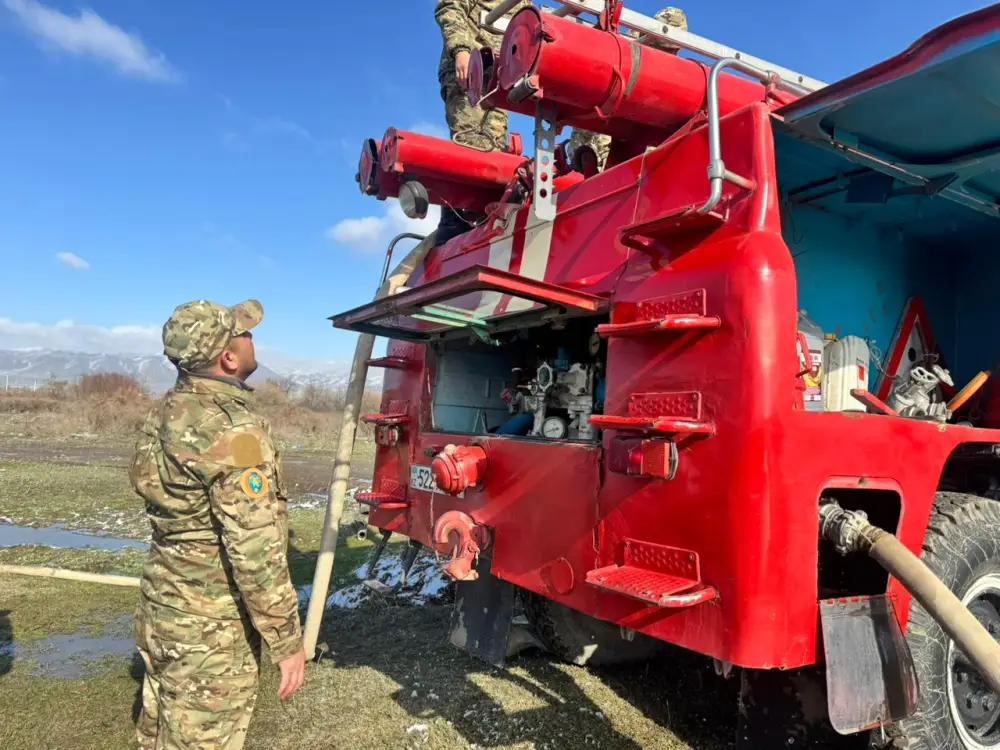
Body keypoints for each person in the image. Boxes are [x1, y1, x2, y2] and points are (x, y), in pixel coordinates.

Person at [131, 299, 304, 750]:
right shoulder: (236, 433)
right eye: (243, 333)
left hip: (160, 608)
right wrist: (287, 643)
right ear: (228, 357)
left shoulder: (165, 412)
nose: (251, 339)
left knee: (158, 731)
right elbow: (256, 551)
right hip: (208, 632)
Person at [434, 0, 533, 243]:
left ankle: (480, 218)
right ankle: (454, 222)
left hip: (499, 77)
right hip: (469, 68)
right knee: (469, 143)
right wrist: (461, 50)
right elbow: (449, 8)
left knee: (491, 148)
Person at [567, 7, 689, 170]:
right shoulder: (629, 51)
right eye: (664, 47)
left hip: (630, 158)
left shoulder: (672, 75)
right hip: (592, 148)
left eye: (671, 50)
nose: (668, 54)